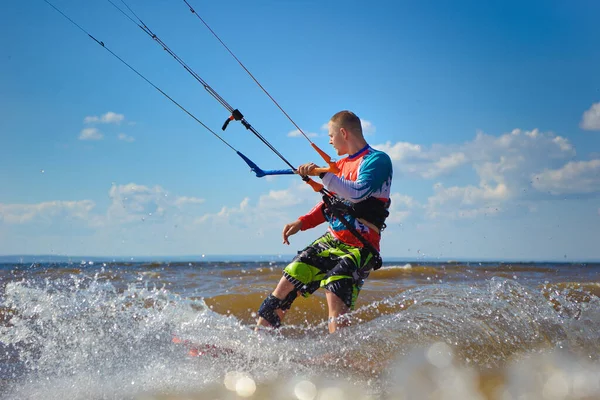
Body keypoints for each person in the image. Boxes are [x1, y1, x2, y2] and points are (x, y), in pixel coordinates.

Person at [256, 110, 393, 333]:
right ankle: (259, 341)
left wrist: (323, 175)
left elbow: (356, 193)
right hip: (333, 239)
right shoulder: (339, 165)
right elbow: (332, 203)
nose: (329, 141)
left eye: (330, 135)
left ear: (343, 132)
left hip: (361, 245)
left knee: (335, 290)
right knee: (290, 277)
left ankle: (338, 357)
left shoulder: (377, 160)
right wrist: (302, 222)